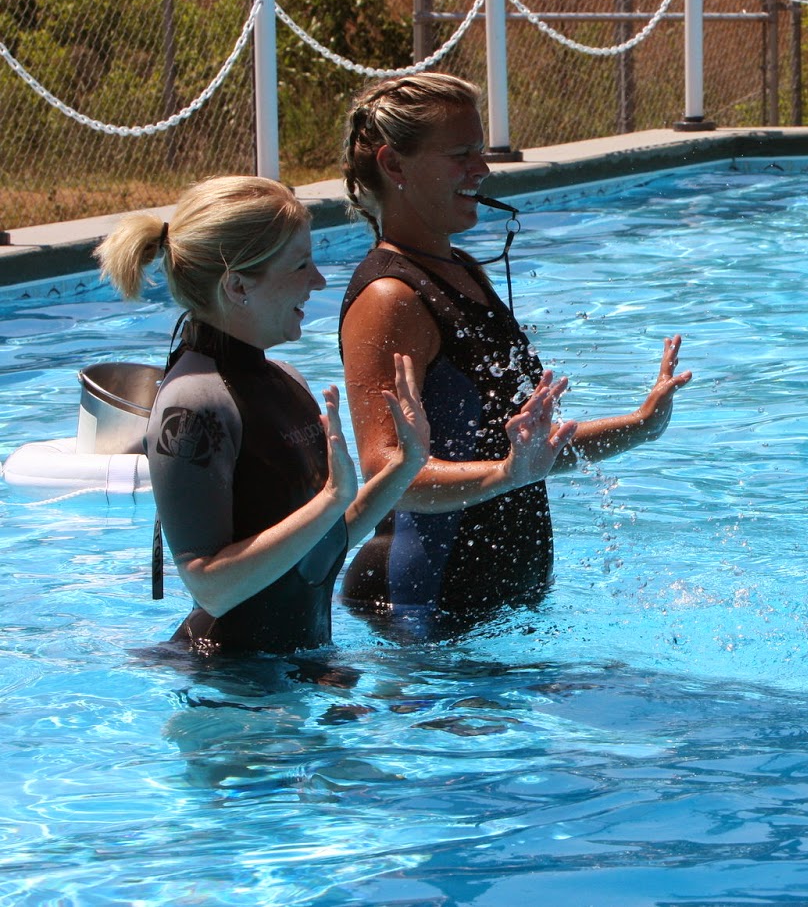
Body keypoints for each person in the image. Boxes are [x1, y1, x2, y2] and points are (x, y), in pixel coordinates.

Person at [338, 72, 690, 629]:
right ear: (394, 165)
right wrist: (506, 473)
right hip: (422, 608)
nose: (481, 169)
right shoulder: (389, 297)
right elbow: (387, 475)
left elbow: (524, 455)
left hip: (491, 610)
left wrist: (640, 426)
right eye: (460, 155)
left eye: (479, 151)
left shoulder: (462, 270)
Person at [94, 175, 438, 655]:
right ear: (237, 285)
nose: (318, 280)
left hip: (294, 673)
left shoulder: (285, 379)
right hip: (226, 680)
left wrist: (406, 463)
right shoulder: (192, 405)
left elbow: (318, 542)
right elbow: (210, 587)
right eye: (300, 265)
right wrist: (330, 500)